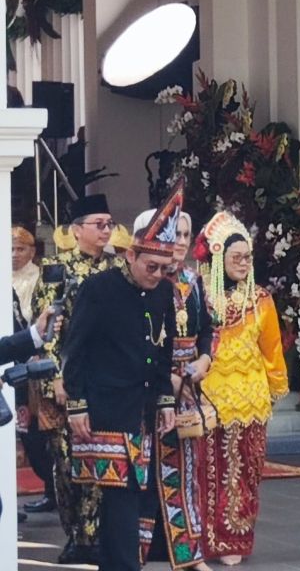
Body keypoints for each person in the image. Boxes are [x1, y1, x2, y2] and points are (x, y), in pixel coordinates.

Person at [62, 189, 182, 571]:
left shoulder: (164, 292)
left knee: (137, 494)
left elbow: (164, 351)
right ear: (130, 255)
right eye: (151, 267)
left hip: (144, 409)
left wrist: (165, 399)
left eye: (164, 269)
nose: (158, 276)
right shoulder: (98, 290)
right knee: (119, 494)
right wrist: (77, 405)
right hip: (107, 408)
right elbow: (75, 349)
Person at [34, 193, 122, 565]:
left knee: (108, 457)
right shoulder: (58, 268)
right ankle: (78, 537)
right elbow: (48, 328)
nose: (106, 231)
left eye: (109, 224)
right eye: (98, 225)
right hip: (71, 378)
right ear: (76, 230)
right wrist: (53, 375)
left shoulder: (120, 267)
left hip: (112, 379)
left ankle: (105, 535)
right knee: (69, 462)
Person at [197, 212, 289, 566]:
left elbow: (273, 348)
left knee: (245, 471)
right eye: (236, 257)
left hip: (250, 399)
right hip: (209, 398)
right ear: (219, 258)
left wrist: (275, 387)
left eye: (247, 257)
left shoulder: (261, 299)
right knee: (208, 470)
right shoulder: (201, 298)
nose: (243, 263)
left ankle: (236, 539)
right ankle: (206, 538)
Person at [133, 204, 214, 571]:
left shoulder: (194, 280)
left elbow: (207, 329)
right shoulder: (148, 280)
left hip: (187, 386)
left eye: (185, 235)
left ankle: (188, 555)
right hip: (150, 386)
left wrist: (204, 360)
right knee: (145, 471)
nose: (180, 242)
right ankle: (136, 553)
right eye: (174, 234)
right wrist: (169, 377)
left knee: (184, 471)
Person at [13, 226, 55, 516]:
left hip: (34, 359)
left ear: (32, 251)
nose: (15, 255)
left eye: (21, 249)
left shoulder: (40, 279)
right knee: (22, 428)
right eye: (10, 249)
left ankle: (53, 489)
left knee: (42, 431)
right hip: (11, 359)